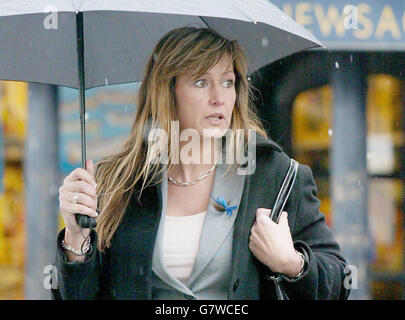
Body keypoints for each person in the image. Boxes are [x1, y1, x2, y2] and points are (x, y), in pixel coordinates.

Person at [52, 26, 350, 300]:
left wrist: (291, 263)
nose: (219, 98)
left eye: (228, 82)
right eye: (200, 82)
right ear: (167, 92)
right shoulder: (116, 180)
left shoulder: (274, 174)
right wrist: (76, 239)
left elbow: (338, 284)